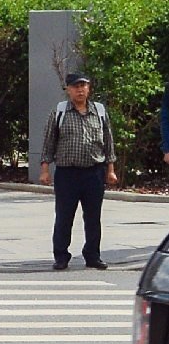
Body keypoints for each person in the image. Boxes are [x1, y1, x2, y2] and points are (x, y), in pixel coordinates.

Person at [40, 72, 116, 271]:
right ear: (68, 89)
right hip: (67, 173)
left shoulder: (99, 111)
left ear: (89, 89)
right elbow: (49, 141)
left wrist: (111, 169)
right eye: (75, 86)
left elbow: (108, 142)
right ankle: (61, 256)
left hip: (94, 173)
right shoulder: (60, 112)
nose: (80, 90)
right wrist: (45, 169)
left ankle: (92, 255)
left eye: (83, 86)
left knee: (93, 217)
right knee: (64, 216)